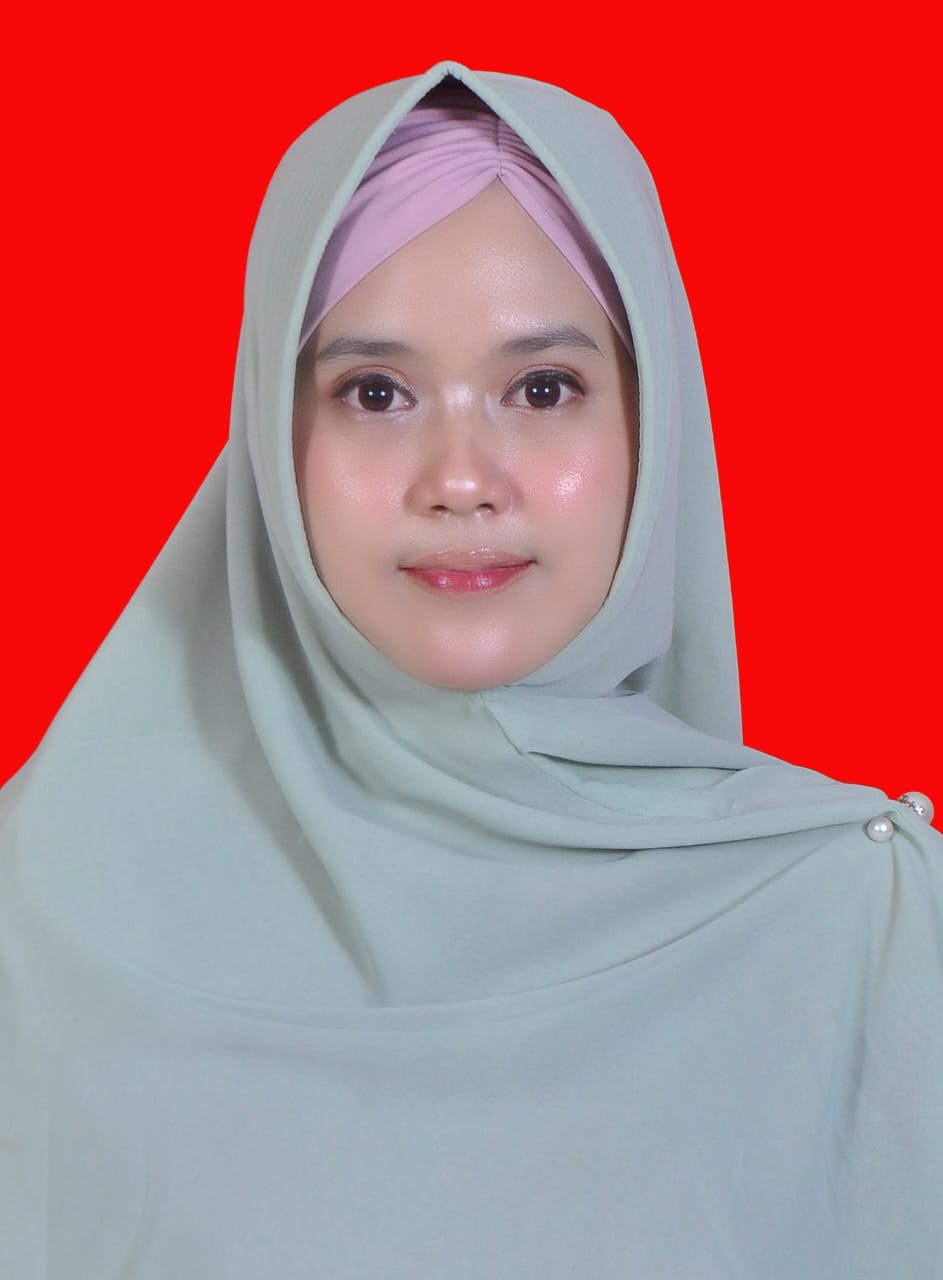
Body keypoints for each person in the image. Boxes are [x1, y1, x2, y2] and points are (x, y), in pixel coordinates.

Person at [1, 61, 940, 1279]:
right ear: (273, 438)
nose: (458, 476)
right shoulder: (35, 914)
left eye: (542, 388)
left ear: (651, 424)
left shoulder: (861, 923)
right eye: (374, 391)